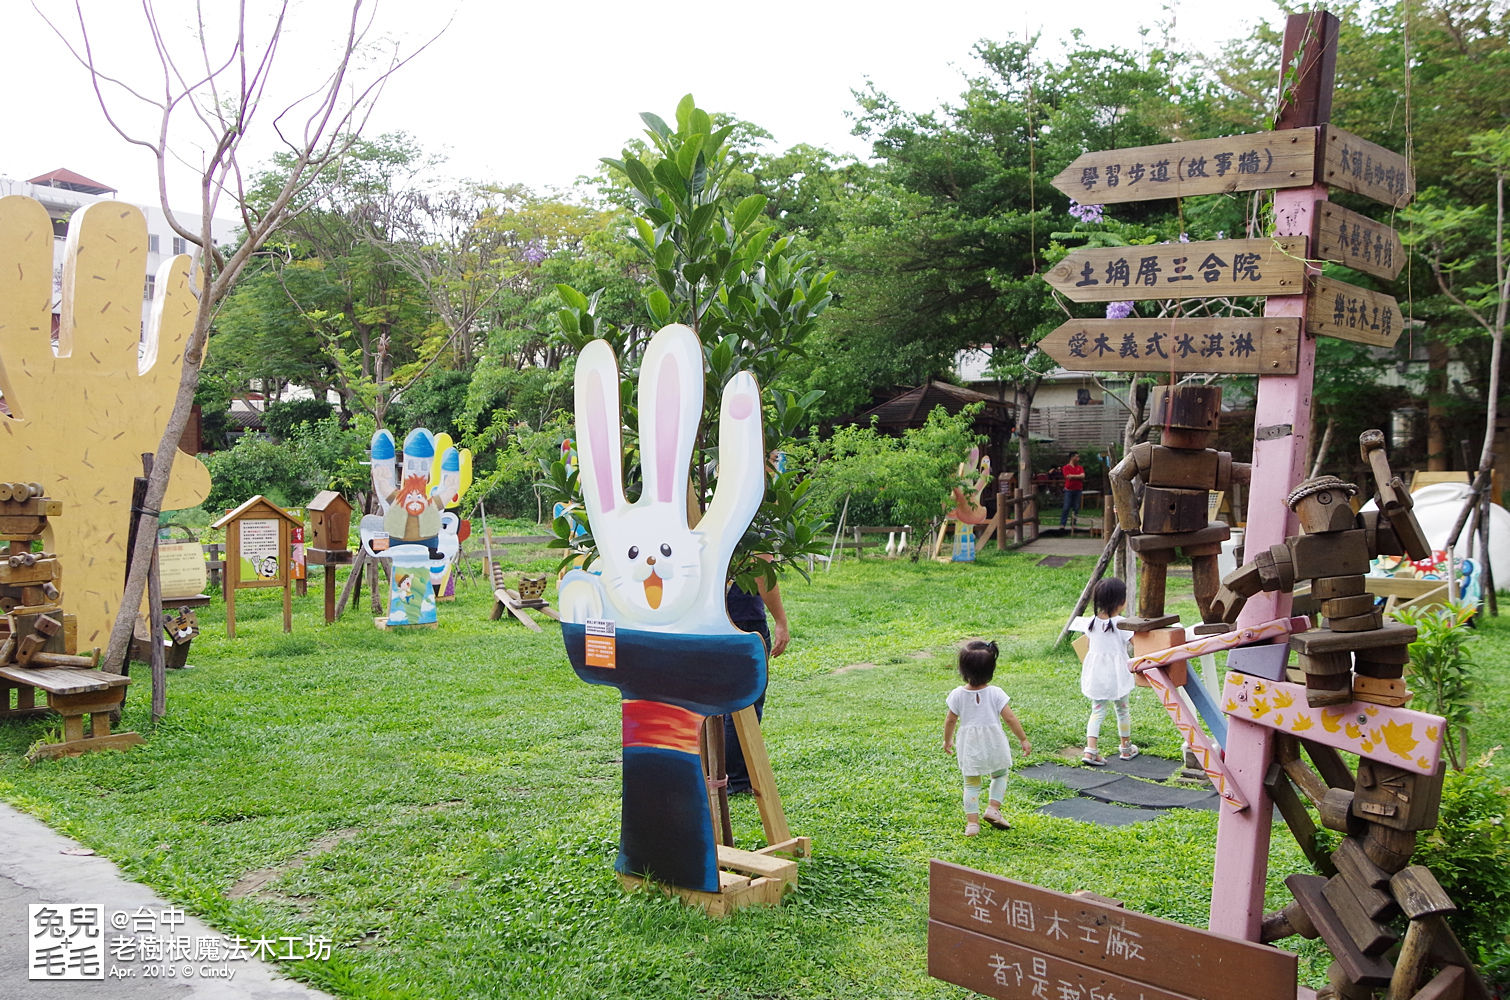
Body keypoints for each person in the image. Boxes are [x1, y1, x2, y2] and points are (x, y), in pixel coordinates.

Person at [943, 639, 1032, 836]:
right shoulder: (995, 693)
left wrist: (947, 740)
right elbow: (1009, 718)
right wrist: (1023, 739)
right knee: (999, 774)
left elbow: (950, 720)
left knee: (971, 784)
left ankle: (972, 824)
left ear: (962, 670)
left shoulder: (957, 694)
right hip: (993, 742)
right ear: (991, 670)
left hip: (969, 744)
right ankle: (993, 808)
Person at [723, 573, 790, 795]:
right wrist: (781, 620)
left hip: (712, 617)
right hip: (744, 618)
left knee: (723, 701)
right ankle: (736, 779)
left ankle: (720, 773)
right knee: (745, 702)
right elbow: (762, 571)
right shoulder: (754, 536)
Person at [1076, 577, 1138, 766]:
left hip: (1097, 674)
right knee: (1122, 710)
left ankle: (1090, 750)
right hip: (1117, 675)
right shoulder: (1122, 623)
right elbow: (1136, 644)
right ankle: (1126, 748)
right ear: (1120, 601)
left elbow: (1086, 646)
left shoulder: (1090, 623)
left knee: (1097, 711)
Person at [1059, 451, 1086, 528]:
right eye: (1077, 457)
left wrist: (1073, 476)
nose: (1078, 459)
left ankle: (1073, 524)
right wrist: (1078, 476)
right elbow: (1068, 476)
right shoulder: (1066, 467)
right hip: (1069, 490)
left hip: (1078, 489)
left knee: (1076, 507)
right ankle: (1062, 524)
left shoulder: (1080, 467)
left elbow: (1083, 476)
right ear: (1072, 458)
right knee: (1066, 507)